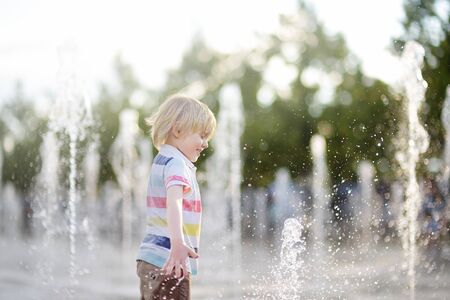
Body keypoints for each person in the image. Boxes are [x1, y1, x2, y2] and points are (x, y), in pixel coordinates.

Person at [136, 95, 216, 300]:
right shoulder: (176, 163)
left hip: (151, 259)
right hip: (170, 260)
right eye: (202, 135)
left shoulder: (162, 160)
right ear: (178, 130)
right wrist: (177, 244)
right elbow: (174, 202)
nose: (205, 144)